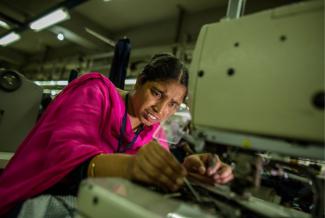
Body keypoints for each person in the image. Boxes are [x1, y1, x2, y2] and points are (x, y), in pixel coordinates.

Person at [0, 53, 233, 216]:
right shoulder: (95, 92)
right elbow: (61, 153)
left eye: (174, 104)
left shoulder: (151, 130)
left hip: (84, 201)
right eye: (157, 93)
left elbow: (156, 170)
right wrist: (129, 167)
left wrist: (185, 169)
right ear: (140, 82)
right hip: (34, 195)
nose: (161, 111)